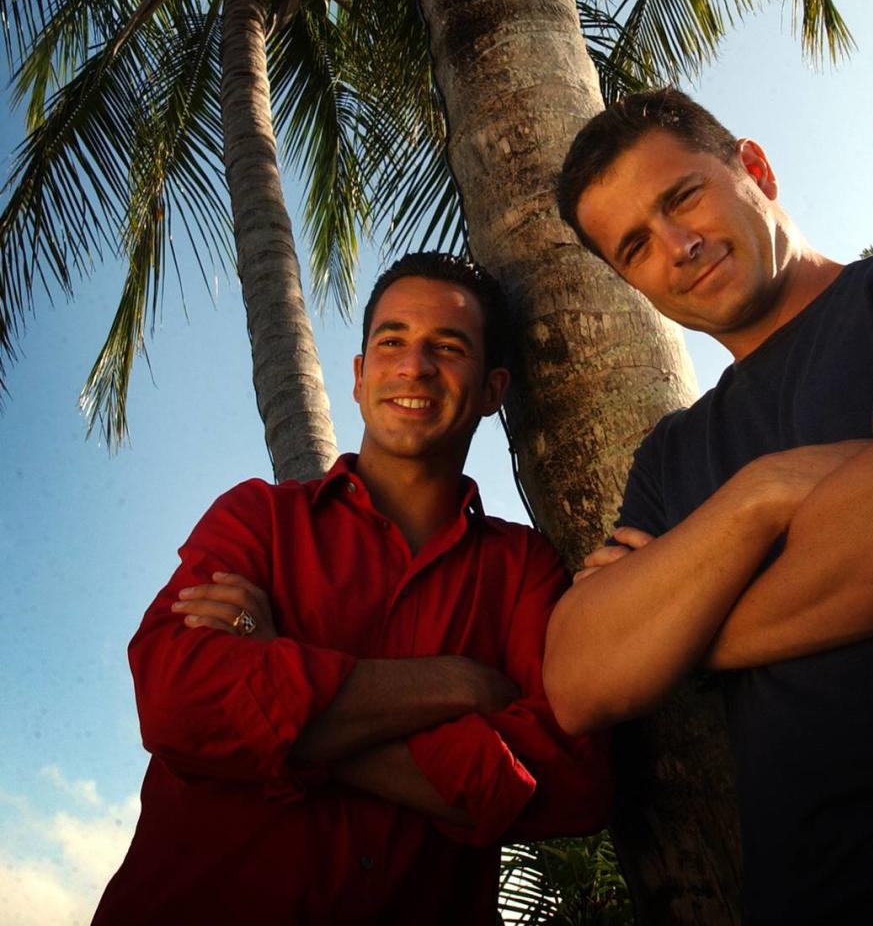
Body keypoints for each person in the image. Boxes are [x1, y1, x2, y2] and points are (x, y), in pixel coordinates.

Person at [543, 87, 873, 924]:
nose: (678, 245)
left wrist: (689, 634)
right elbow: (581, 680)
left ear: (756, 170)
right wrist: (761, 497)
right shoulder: (670, 455)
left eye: (682, 196)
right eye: (635, 246)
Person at [94, 252, 610, 926]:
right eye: (391, 341)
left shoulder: (522, 569)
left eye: (448, 347)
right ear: (361, 377)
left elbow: (572, 779)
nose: (414, 366)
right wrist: (453, 683)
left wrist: (284, 719)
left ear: (492, 388)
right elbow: (176, 703)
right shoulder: (258, 518)